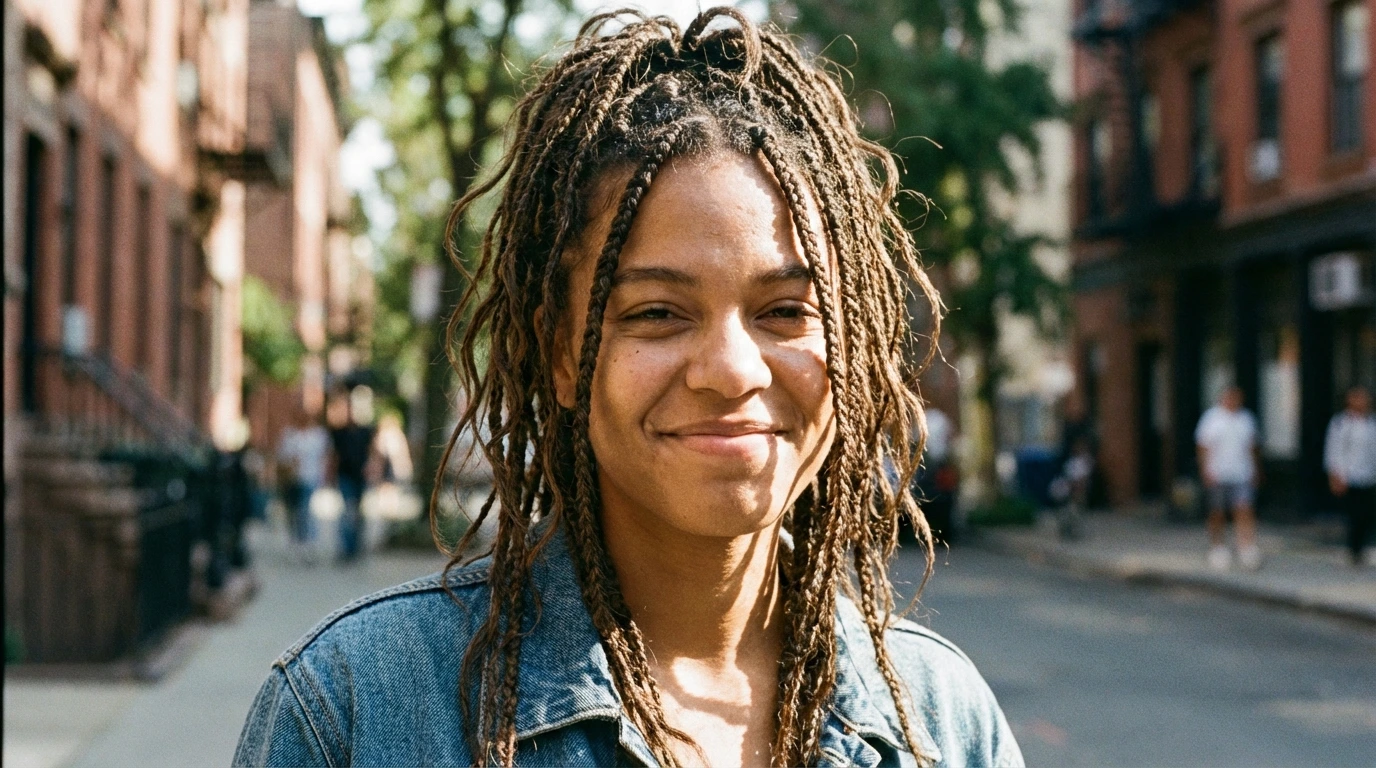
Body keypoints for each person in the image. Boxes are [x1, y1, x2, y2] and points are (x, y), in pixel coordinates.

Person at [235, 11, 1020, 767]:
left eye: (785, 311)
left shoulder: (944, 722)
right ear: (564, 355)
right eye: (657, 312)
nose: (733, 369)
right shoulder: (354, 710)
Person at [1195, 386, 1262, 571]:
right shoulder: (1211, 419)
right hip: (1218, 473)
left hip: (1242, 473)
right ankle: (1218, 547)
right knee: (1217, 512)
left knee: (1244, 509)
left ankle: (1246, 547)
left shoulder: (1246, 419)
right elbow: (1202, 447)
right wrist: (1205, 470)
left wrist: (1256, 470)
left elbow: (1252, 447)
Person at [1324, 386, 1376, 567]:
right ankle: (1354, 550)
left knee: (1368, 514)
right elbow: (1333, 450)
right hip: (1350, 475)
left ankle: (1362, 547)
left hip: (1369, 475)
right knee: (1355, 514)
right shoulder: (1341, 423)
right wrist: (1335, 475)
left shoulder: (1371, 423)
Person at [328, 387, 379, 563]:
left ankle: (356, 545)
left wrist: (372, 470)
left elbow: (373, 452)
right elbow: (334, 456)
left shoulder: (366, 431)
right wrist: (331, 475)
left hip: (360, 476)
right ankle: (346, 547)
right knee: (347, 511)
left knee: (358, 512)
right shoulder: (339, 433)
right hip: (345, 475)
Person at [276, 408, 330, 564]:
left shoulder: (318, 436)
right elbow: (282, 457)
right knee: (292, 512)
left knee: (305, 511)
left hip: (310, 477)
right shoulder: (290, 435)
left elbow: (324, 456)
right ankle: (295, 542)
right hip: (292, 480)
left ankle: (307, 543)